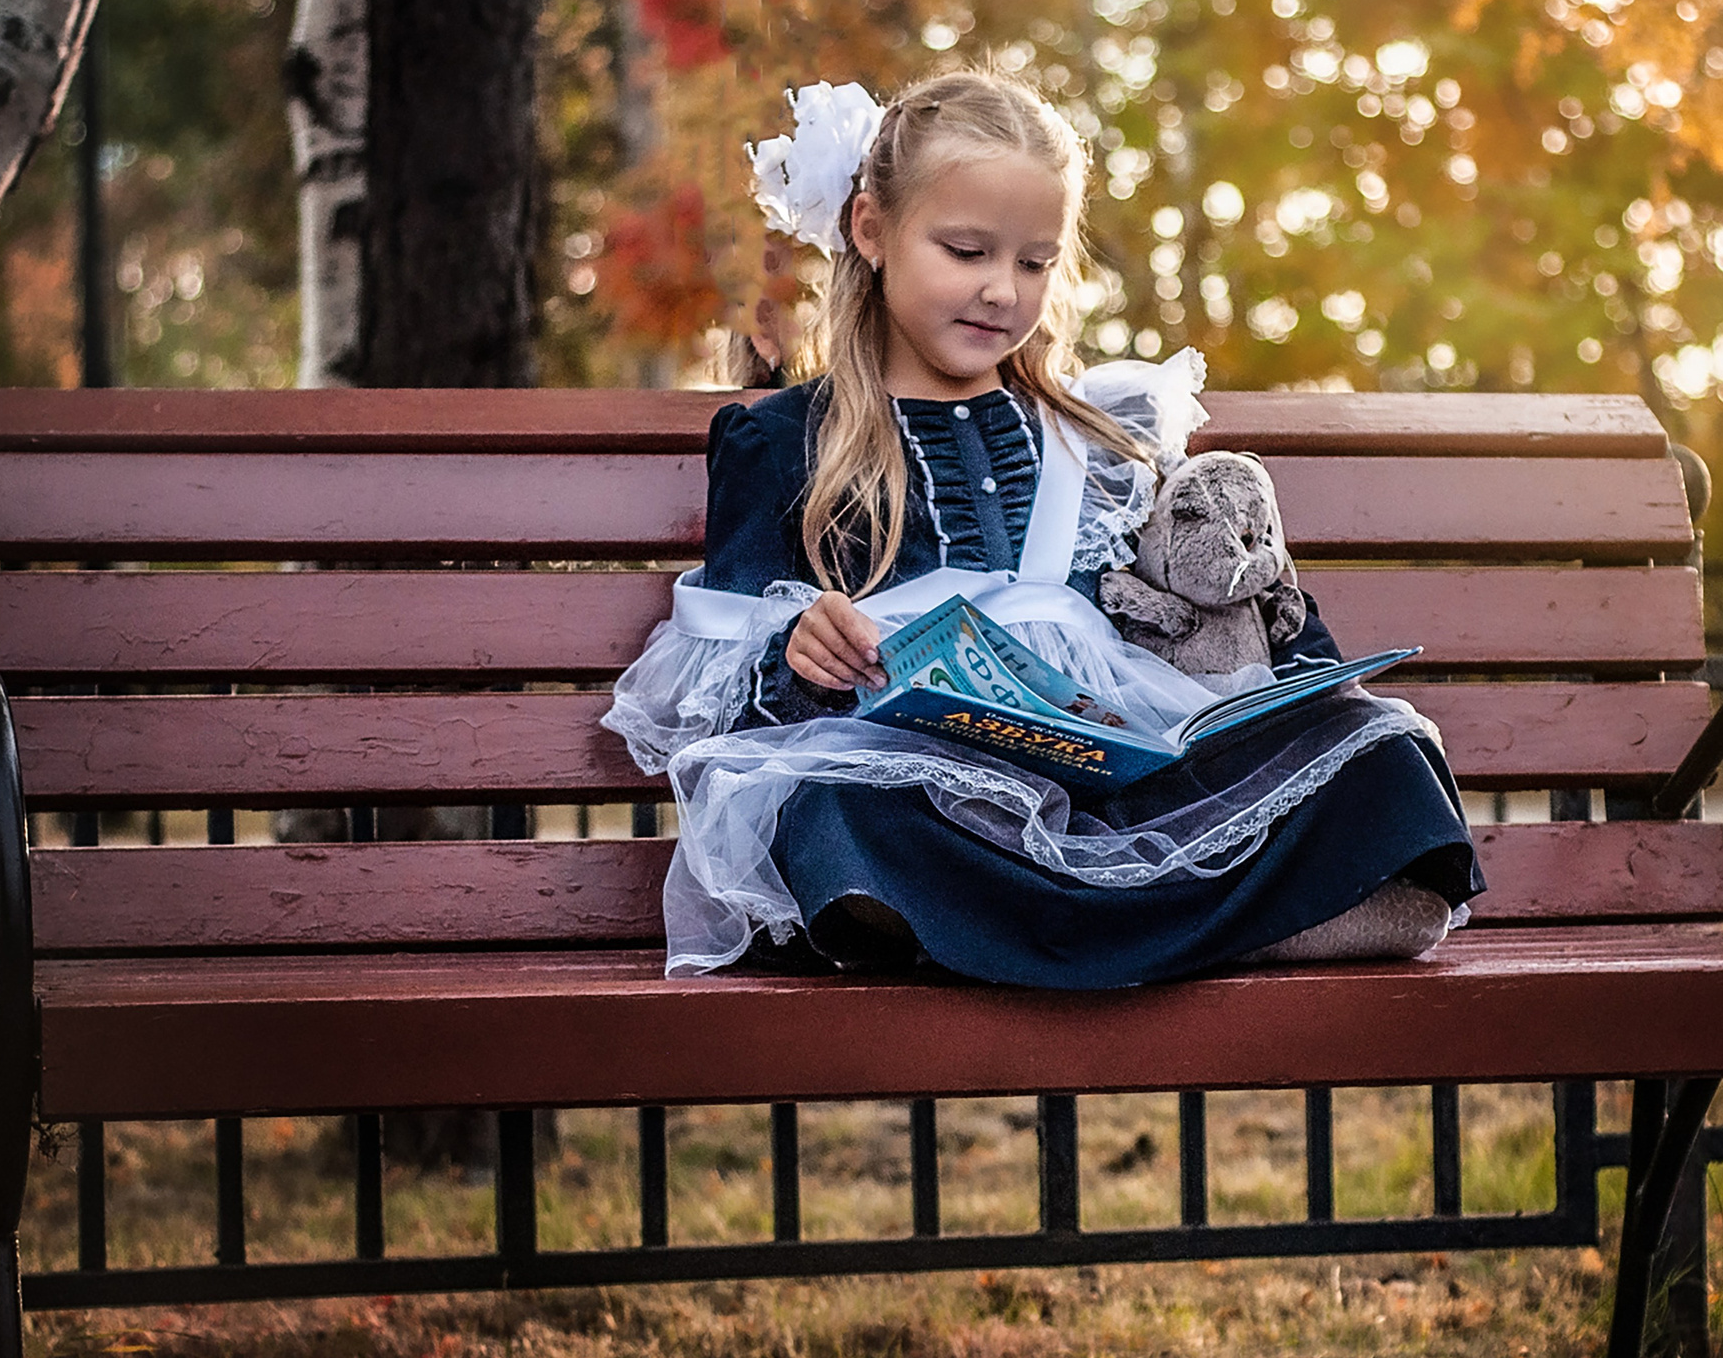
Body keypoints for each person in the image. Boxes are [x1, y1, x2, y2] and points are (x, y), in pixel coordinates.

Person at [603, 67, 1483, 988]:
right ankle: (1216, 928)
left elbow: (1222, 607)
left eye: (1034, 263)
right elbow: (717, 680)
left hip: (1115, 775)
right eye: (967, 251)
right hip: (928, 780)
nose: (1001, 292)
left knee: (1383, 750)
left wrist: (1304, 693)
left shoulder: (1103, 438)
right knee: (838, 819)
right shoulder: (785, 439)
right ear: (872, 230)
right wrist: (796, 646)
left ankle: (1032, 939)